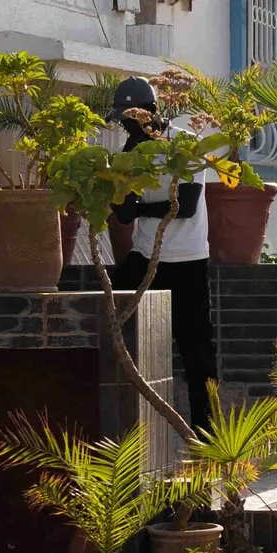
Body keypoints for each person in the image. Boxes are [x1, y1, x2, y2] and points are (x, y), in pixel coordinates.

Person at [106, 77, 216, 426]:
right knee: (109, 317)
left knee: (196, 351)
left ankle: (208, 433)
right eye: (124, 121)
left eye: (131, 119)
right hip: (146, 255)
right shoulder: (130, 152)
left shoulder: (185, 145)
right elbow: (122, 212)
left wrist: (139, 207)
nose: (126, 127)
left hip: (187, 260)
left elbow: (185, 206)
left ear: (151, 113)